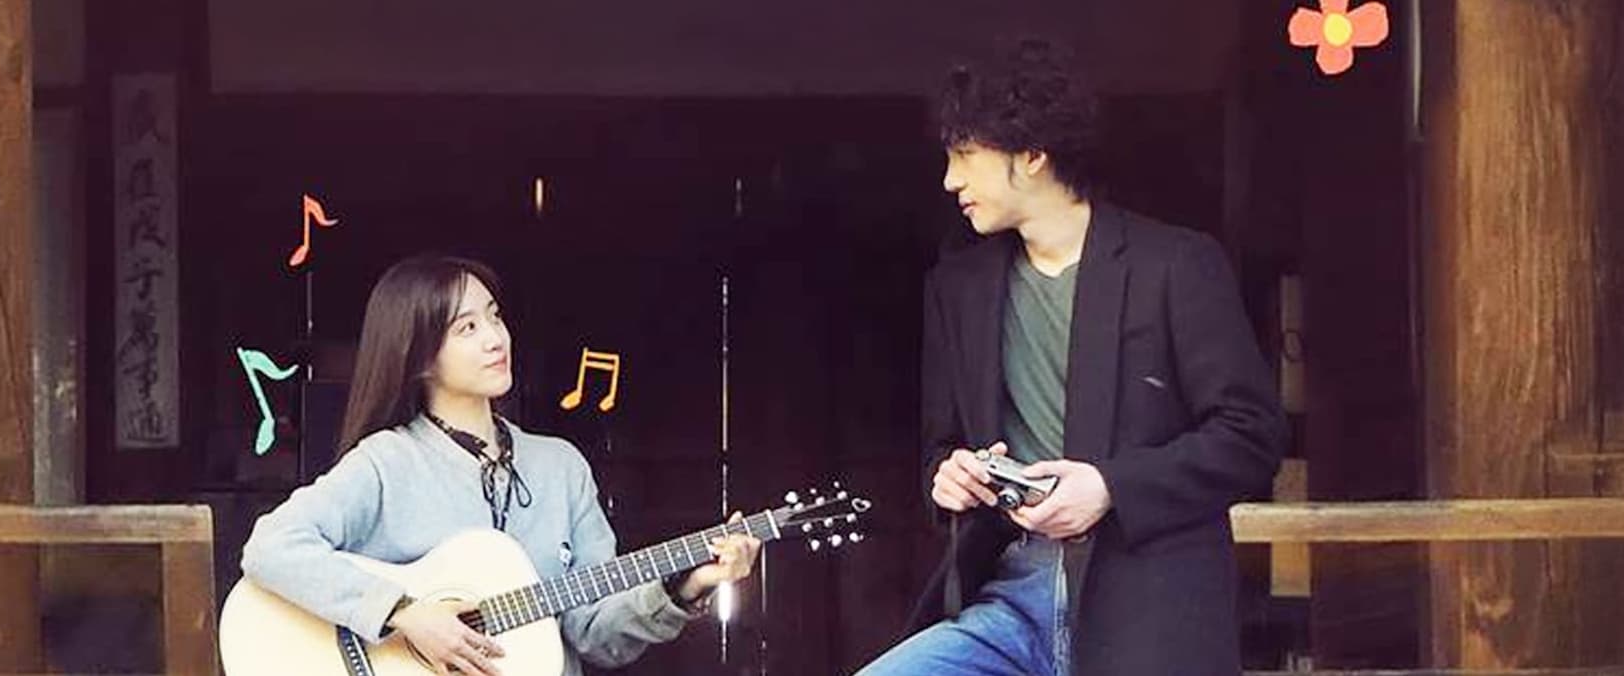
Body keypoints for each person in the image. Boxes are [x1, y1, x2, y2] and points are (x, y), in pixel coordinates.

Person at [858, 40, 1287, 675]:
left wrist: (1110, 487)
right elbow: (939, 448)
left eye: (965, 154)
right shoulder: (958, 287)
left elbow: (1252, 437)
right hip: (1009, 597)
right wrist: (947, 478)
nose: (950, 180)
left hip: (1146, 604)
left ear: (1032, 154)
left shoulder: (1176, 264)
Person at [242, 254, 761, 676]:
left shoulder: (560, 467)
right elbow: (272, 546)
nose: (495, 338)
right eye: (467, 327)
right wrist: (404, 613)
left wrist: (687, 585)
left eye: (494, 316)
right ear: (419, 356)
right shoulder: (387, 462)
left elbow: (594, 634)